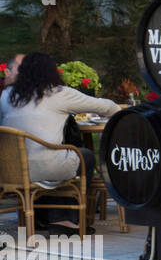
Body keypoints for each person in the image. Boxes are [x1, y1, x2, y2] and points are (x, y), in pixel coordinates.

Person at [0, 52, 121, 232]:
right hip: (47, 167)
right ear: (51, 72)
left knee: (61, 157)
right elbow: (107, 107)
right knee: (84, 155)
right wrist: (121, 112)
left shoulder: (7, 96)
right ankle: (67, 221)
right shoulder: (57, 93)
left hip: (13, 170)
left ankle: (41, 218)